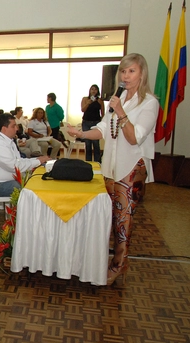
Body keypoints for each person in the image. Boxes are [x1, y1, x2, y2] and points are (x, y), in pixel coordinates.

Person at [67, 53, 158, 285]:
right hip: (111, 167)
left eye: (131, 71)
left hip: (132, 168)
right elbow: (103, 129)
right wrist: (82, 134)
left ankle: (119, 264)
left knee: (124, 220)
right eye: (123, 71)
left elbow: (134, 138)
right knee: (110, 216)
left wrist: (120, 112)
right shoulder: (117, 99)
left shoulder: (149, 103)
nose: (126, 76)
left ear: (142, 74)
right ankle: (106, 260)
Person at [0, 113, 50, 197]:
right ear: (4, 129)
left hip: (5, 180)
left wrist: (38, 160)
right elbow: (15, 167)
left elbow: (19, 160)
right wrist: (38, 161)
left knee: (38, 176)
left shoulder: (6, 140)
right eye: (13, 126)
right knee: (30, 189)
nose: (17, 129)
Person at [81, 84, 104, 162]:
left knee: (96, 143)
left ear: (98, 91)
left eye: (95, 89)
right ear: (90, 90)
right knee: (87, 143)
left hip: (96, 123)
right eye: (92, 89)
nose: (93, 91)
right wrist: (88, 103)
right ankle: (88, 162)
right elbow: (82, 110)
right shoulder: (85, 99)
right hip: (86, 123)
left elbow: (103, 113)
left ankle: (97, 162)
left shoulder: (100, 100)